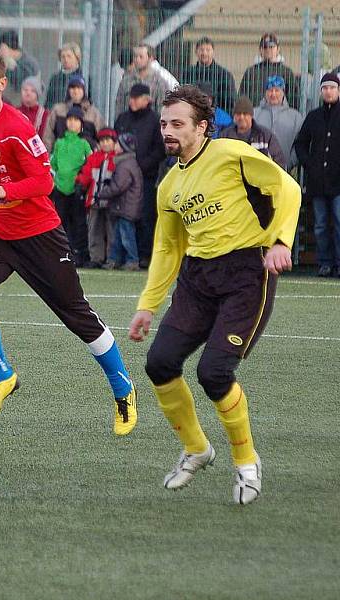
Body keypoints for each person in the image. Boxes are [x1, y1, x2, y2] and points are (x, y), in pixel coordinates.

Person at [128, 85, 301, 505]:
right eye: (165, 123)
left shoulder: (229, 153)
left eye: (177, 124)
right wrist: (147, 306)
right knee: (160, 362)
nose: (167, 131)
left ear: (202, 127)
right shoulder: (168, 185)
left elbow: (288, 188)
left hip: (246, 274)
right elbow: (168, 248)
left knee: (214, 373)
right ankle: (196, 449)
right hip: (197, 280)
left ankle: (246, 461)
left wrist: (281, 241)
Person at [0, 52, 137, 434]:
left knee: (76, 314)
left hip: (39, 235)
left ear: (3, 84)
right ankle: (3, 375)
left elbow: (44, 181)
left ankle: (123, 388)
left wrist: (2, 188)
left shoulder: (17, 127)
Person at [294, 72, 340, 277]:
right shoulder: (313, 116)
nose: (328, 91)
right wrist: (310, 164)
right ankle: (325, 263)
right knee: (320, 225)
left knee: (339, 223)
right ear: (321, 91)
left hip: (338, 183)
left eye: (332, 87)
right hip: (318, 183)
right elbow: (300, 143)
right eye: (325, 88)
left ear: (338, 90)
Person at [114, 83, 166, 266]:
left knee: (145, 216)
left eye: (137, 97)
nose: (132, 101)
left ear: (147, 99)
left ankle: (144, 255)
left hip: (146, 176)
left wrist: (142, 166)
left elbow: (160, 150)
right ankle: (120, 256)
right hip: (121, 177)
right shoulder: (122, 118)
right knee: (122, 216)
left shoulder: (155, 121)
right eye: (131, 97)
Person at [50, 105, 91, 262]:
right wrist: (54, 182)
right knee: (60, 221)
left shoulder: (84, 144)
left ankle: (79, 252)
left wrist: (82, 182)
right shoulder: (59, 143)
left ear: (81, 124)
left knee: (79, 222)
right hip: (60, 189)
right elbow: (52, 164)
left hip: (77, 190)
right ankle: (61, 252)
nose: (72, 123)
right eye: (70, 120)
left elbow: (90, 164)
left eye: (76, 120)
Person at [99, 133, 142, 271]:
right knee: (118, 236)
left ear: (123, 147)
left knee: (126, 236)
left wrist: (102, 193)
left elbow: (118, 187)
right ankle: (113, 259)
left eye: (117, 143)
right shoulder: (127, 163)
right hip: (124, 207)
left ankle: (132, 260)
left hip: (125, 208)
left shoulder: (125, 165)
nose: (115, 146)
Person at [76, 128, 118, 268]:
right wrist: (81, 184)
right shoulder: (93, 158)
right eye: (102, 141)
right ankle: (96, 257)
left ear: (114, 142)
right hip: (94, 199)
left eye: (108, 140)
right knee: (94, 229)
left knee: (111, 230)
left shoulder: (116, 158)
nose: (105, 143)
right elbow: (86, 174)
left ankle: (112, 258)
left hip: (111, 201)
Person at [254, 75, 304, 171]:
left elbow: (300, 144)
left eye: (277, 90)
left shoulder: (295, 117)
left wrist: (289, 163)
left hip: (285, 172)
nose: (273, 94)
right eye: (270, 90)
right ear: (265, 93)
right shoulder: (254, 114)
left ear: (283, 92)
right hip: (257, 170)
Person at [220, 96, 287, 169]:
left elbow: (280, 163)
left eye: (245, 114)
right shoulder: (225, 136)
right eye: (238, 114)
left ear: (251, 115)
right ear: (234, 116)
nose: (241, 117)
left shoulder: (266, 136)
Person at [239, 33, 300, 110]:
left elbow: (295, 99)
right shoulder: (251, 72)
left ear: (278, 49)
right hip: (256, 116)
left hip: (281, 116)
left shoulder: (286, 72)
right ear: (260, 50)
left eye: (271, 47)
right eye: (265, 47)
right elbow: (242, 98)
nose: (268, 50)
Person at [44, 74, 104, 151]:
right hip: (61, 155)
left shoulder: (94, 113)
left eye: (79, 88)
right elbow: (48, 135)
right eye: (72, 87)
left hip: (87, 158)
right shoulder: (57, 110)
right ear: (68, 90)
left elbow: (102, 138)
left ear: (84, 90)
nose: (75, 91)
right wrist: (47, 155)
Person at [180, 36, 237, 114]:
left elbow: (230, 102)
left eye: (208, 50)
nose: (204, 53)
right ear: (196, 52)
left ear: (213, 52)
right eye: (201, 50)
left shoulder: (224, 75)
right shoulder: (187, 74)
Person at [114, 45, 169, 115]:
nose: (137, 60)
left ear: (150, 58)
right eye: (135, 56)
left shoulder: (160, 83)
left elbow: (162, 109)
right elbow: (119, 105)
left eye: (141, 57)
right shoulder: (126, 81)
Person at [0, 30, 40, 107]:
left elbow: (20, 84)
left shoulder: (29, 63)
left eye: (1, 48)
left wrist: (9, 63)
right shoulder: (3, 63)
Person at [45, 42, 83, 109]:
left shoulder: (83, 77)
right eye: (63, 56)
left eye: (69, 56)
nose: (66, 60)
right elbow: (49, 101)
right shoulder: (55, 78)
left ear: (77, 58)